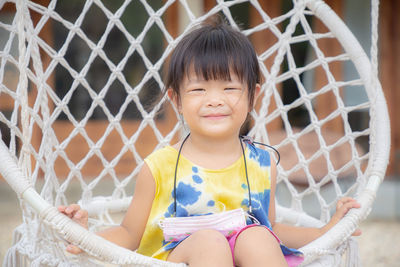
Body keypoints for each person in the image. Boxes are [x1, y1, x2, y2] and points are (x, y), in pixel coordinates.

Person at [58, 17, 361, 267]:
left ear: (253, 96)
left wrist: (324, 231)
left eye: (229, 87)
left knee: (257, 237)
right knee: (210, 242)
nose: (215, 101)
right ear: (176, 100)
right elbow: (129, 233)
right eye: (199, 90)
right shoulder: (159, 167)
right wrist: (87, 237)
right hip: (177, 259)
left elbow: (272, 229)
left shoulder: (261, 163)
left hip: (244, 256)